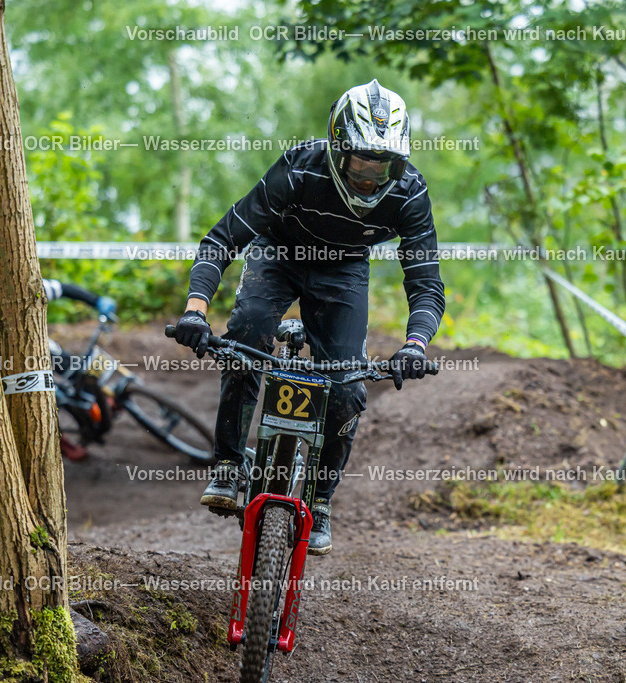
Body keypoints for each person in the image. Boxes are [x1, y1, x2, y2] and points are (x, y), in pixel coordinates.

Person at [172, 79, 445, 555]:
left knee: (346, 389)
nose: (370, 177)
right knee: (246, 339)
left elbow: (426, 285)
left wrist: (415, 345)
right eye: (362, 160)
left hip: (344, 271)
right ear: (339, 149)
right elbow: (222, 239)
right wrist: (196, 310)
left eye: (384, 165)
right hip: (278, 256)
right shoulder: (300, 166)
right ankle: (229, 463)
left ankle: (320, 500)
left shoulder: (409, 192)